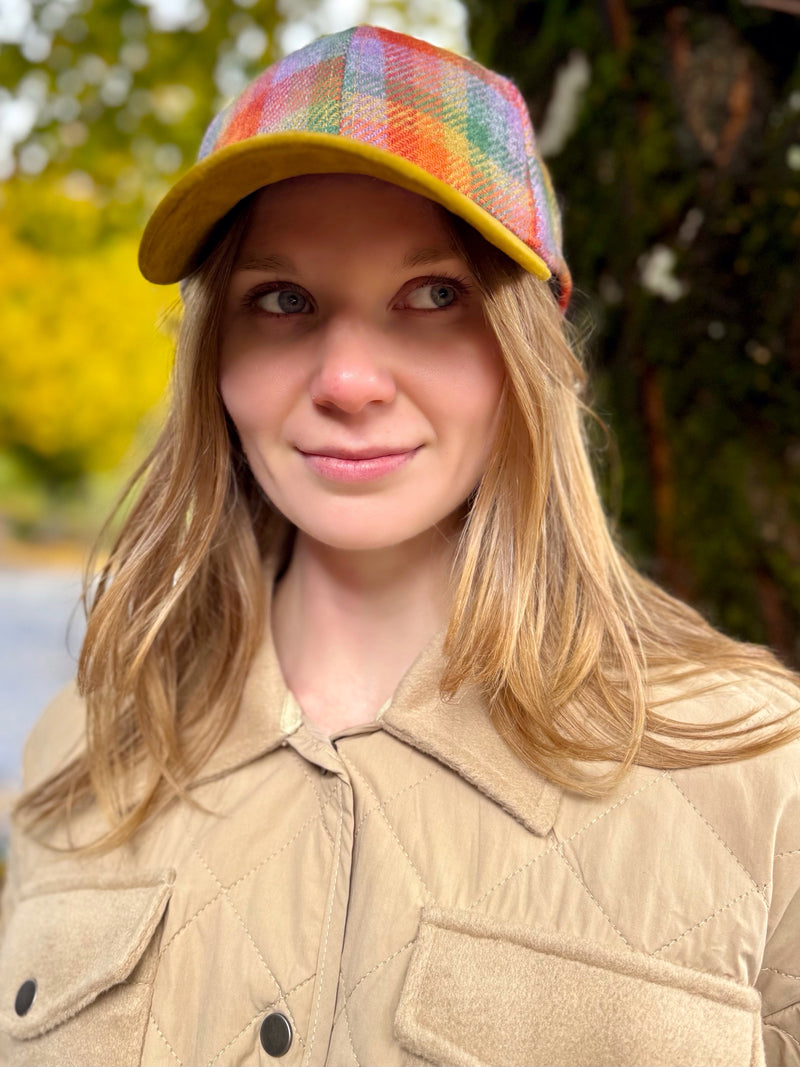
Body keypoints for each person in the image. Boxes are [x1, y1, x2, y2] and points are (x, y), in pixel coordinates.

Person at [0, 24, 798, 1067]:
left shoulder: (759, 770)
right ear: (217, 363)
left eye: (432, 296)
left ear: (522, 353)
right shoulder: (81, 749)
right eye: (280, 300)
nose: (347, 379)